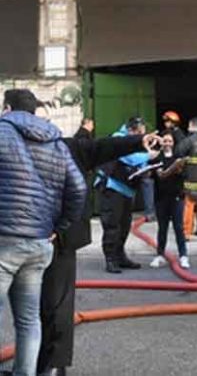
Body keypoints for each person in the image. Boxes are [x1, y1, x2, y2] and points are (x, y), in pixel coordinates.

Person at [38, 130, 158, 376]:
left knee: (26, 308)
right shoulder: (66, 147)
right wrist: (137, 141)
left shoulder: (9, 144)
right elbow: (101, 148)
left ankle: (37, 365)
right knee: (57, 304)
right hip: (59, 238)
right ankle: (52, 366)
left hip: (23, 237)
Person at [0, 89, 86, 376]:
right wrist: (57, 228)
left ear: (7, 107)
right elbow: (78, 189)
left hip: (4, 239)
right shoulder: (55, 141)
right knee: (28, 320)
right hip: (39, 243)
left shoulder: (2, 131)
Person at [95, 117, 158, 273]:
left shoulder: (136, 142)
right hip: (113, 187)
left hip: (127, 189)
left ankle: (120, 256)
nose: (140, 137)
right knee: (112, 225)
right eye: (139, 133)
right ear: (131, 130)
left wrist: (147, 167)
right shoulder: (118, 138)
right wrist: (148, 156)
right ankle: (110, 259)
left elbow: (139, 162)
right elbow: (128, 157)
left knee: (124, 226)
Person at [150, 132, 190, 270]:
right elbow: (154, 175)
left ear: (173, 143)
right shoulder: (157, 158)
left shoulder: (178, 158)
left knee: (179, 227)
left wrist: (178, 170)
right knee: (162, 227)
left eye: (169, 141)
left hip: (177, 197)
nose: (167, 143)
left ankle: (183, 255)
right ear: (161, 142)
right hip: (161, 197)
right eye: (165, 141)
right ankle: (160, 254)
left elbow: (185, 175)